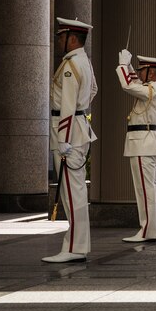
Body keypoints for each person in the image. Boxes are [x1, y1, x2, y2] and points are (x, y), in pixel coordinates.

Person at [45, 17, 98, 263]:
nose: (58, 40)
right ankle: (78, 246)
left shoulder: (70, 65)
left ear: (72, 38)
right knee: (74, 190)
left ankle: (74, 249)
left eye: (61, 36)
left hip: (67, 133)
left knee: (72, 192)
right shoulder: (83, 62)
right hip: (79, 127)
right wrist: (80, 110)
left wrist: (64, 138)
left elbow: (66, 104)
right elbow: (93, 90)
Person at [116, 51, 156, 243]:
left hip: (143, 143)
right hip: (145, 142)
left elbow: (128, 85)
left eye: (141, 71)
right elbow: (134, 82)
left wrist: (122, 66)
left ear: (151, 74)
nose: (138, 74)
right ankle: (149, 230)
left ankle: (146, 230)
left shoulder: (153, 90)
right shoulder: (151, 88)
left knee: (145, 190)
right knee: (149, 189)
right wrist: (128, 67)